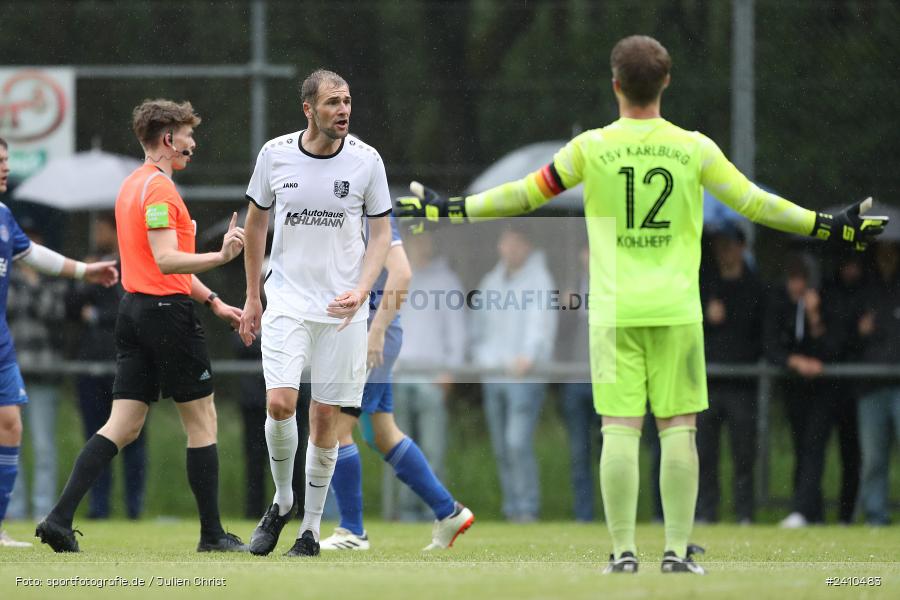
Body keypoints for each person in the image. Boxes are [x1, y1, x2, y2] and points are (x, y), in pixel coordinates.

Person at [396, 35, 888, 574]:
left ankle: (624, 553)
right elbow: (755, 201)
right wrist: (826, 224)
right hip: (677, 310)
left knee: (620, 430)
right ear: (666, 83)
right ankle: (677, 553)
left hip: (614, 313)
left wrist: (453, 209)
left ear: (615, 84)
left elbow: (523, 194)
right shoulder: (692, 147)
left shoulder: (592, 147)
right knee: (679, 428)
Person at [35, 100, 247, 553]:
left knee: (124, 423)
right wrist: (222, 257)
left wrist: (214, 301)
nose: (193, 143)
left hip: (135, 312)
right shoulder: (160, 191)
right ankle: (212, 535)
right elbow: (167, 259)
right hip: (166, 315)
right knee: (202, 420)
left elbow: (157, 265)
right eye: (187, 135)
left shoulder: (131, 185)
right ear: (168, 140)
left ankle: (57, 519)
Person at [239, 69, 392, 558]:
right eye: (331, 103)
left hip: (342, 310)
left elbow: (383, 236)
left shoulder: (367, 162)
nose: (342, 110)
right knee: (281, 403)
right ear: (309, 109)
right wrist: (252, 295)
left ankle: (308, 531)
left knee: (326, 419)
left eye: (347, 101)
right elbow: (256, 223)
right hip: (285, 300)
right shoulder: (275, 154)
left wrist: (363, 290)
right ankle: (283, 500)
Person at [320, 214, 473, 551]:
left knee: (335, 429)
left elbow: (402, 273)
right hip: (363, 332)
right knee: (382, 434)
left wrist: (376, 332)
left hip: (369, 334)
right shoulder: (343, 204)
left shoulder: (372, 208)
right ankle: (449, 512)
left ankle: (352, 531)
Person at [0, 136, 119, 548]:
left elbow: (33, 254)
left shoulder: (3, 215)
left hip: (5, 344)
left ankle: (0, 526)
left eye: (6, 160)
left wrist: (84, 273)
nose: (4, 168)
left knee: (11, 426)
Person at [472, 223, 557, 523]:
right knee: (500, 446)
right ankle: (512, 507)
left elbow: (540, 327)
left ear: (526, 246)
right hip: (494, 375)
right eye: (505, 243)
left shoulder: (540, 281)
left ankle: (527, 508)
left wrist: (528, 357)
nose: (508, 249)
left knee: (516, 442)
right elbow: (479, 330)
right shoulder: (490, 282)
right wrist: (486, 360)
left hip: (524, 377)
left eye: (515, 243)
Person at [65, 213, 146, 520]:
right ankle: (99, 507)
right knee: (96, 436)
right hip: (91, 367)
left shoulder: (130, 266)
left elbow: (124, 313)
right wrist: (83, 275)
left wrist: (97, 314)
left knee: (132, 437)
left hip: (124, 367)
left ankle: (134, 508)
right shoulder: (91, 266)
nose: (97, 234)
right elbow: (71, 307)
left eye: (101, 228)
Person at [388, 232, 465, 522]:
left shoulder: (446, 281)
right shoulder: (396, 278)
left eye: (423, 239)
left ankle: (436, 511)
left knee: (433, 450)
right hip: (399, 374)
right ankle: (407, 512)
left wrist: (451, 370)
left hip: (432, 377)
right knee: (399, 450)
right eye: (413, 238)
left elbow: (457, 332)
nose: (419, 244)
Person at [764, 254, 841, 528]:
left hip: (823, 389)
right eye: (793, 279)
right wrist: (794, 361)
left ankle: (803, 510)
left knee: (814, 447)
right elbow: (771, 346)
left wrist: (815, 317)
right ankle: (811, 510)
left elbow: (833, 348)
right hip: (794, 388)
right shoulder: (778, 303)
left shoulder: (825, 300)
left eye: (802, 279)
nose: (796, 285)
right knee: (802, 447)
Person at [695, 223, 764, 524]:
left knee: (743, 454)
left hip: (742, 385)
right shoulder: (704, 286)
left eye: (729, 245)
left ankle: (744, 514)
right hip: (708, 382)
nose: (724, 252)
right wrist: (707, 319)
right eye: (720, 246)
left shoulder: (756, 288)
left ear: (742, 248)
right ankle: (707, 513)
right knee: (705, 454)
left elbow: (761, 334)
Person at [5, 222, 68, 524]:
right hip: (12, 369)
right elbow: (9, 308)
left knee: (44, 445)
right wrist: (26, 285)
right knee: (9, 441)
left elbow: (53, 312)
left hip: (44, 372)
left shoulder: (52, 279)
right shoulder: (7, 276)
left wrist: (34, 283)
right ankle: (14, 510)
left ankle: (44, 510)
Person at [856, 242, 900, 526]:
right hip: (870, 384)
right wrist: (859, 330)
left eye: (891, 248)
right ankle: (875, 517)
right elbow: (845, 331)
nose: (886, 253)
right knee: (873, 458)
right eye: (881, 248)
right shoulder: (863, 286)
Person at [556, 244, 601, 522]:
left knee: (612, 449)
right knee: (578, 454)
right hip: (575, 382)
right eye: (585, 251)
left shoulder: (616, 287)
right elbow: (558, 337)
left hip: (606, 381)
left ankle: (615, 513)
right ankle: (584, 515)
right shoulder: (571, 287)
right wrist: (566, 310)